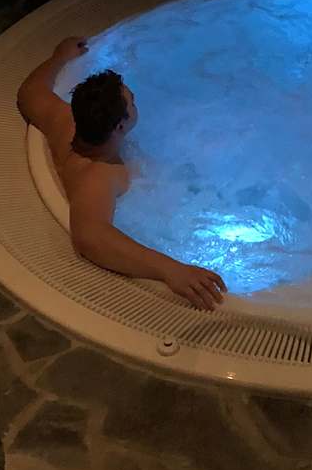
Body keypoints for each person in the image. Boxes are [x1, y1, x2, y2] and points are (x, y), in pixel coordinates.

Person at [16, 35, 227, 311]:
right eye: (133, 103)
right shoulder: (97, 176)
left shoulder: (64, 119)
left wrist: (60, 57)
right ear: (120, 127)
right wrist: (171, 269)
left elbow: (29, 92)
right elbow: (90, 237)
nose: (136, 103)